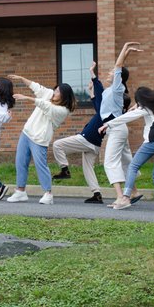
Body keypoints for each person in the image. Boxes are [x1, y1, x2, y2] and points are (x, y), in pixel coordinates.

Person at [99, 87, 154, 211]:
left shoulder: (145, 108)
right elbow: (143, 108)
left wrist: (108, 124)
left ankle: (126, 198)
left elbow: (128, 117)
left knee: (133, 166)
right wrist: (138, 106)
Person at [6, 75, 76, 205]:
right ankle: (20, 191)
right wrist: (22, 78)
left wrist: (26, 98)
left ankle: (48, 194)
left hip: (39, 139)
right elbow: (36, 86)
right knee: (20, 162)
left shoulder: (62, 111)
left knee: (41, 165)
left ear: (64, 96)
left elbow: (45, 106)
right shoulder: (49, 94)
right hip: (26, 133)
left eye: (58, 92)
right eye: (55, 90)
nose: (54, 92)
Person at [51, 62, 107, 204]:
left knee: (57, 145)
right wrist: (90, 92)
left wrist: (93, 75)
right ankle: (97, 194)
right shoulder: (104, 111)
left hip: (87, 139)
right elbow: (96, 102)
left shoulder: (106, 108)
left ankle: (65, 169)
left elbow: (100, 92)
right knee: (88, 168)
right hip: (95, 144)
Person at [98, 42, 143, 208]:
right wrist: (127, 53)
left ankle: (121, 198)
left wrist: (125, 48)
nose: (110, 73)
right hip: (117, 128)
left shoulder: (118, 87)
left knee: (110, 162)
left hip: (116, 129)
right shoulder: (110, 89)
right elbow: (119, 67)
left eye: (113, 72)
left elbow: (118, 66)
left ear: (119, 77)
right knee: (125, 161)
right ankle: (134, 192)